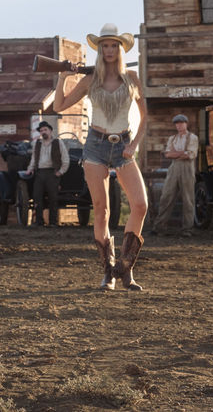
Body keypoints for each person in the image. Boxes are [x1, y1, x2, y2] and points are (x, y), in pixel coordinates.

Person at [53, 24, 150, 291]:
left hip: (124, 145)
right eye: (105, 46)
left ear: (120, 49)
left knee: (140, 205)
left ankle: (126, 268)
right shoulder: (90, 80)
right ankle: (109, 273)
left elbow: (145, 117)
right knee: (101, 211)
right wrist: (63, 78)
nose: (109, 50)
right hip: (95, 146)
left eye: (114, 46)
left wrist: (134, 145)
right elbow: (59, 106)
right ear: (99, 50)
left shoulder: (132, 78)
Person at [150, 114, 199, 235]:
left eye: (181, 123)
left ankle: (187, 229)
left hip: (187, 168)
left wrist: (176, 153)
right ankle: (159, 227)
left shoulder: (193, 138)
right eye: (177, 124)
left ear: (186, 124)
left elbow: (190, 155)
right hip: (174, 167)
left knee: (188, 199)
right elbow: (167, 154)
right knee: (166, 196)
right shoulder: (172, 138)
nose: (179, 126)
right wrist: (181, 153)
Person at [24, 121, 69, 227]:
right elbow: (34, 158)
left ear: (50, 131)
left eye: (45, 130)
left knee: (53, 198)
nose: (43, 132)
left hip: (52, 173)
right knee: (37, 197)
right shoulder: (37, 144)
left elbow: (65, 158)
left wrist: (61, 171)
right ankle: (39, 221)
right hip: (40, 172)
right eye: (41, 131)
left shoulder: (58, 143)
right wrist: (30, 169)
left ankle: (53, 222)